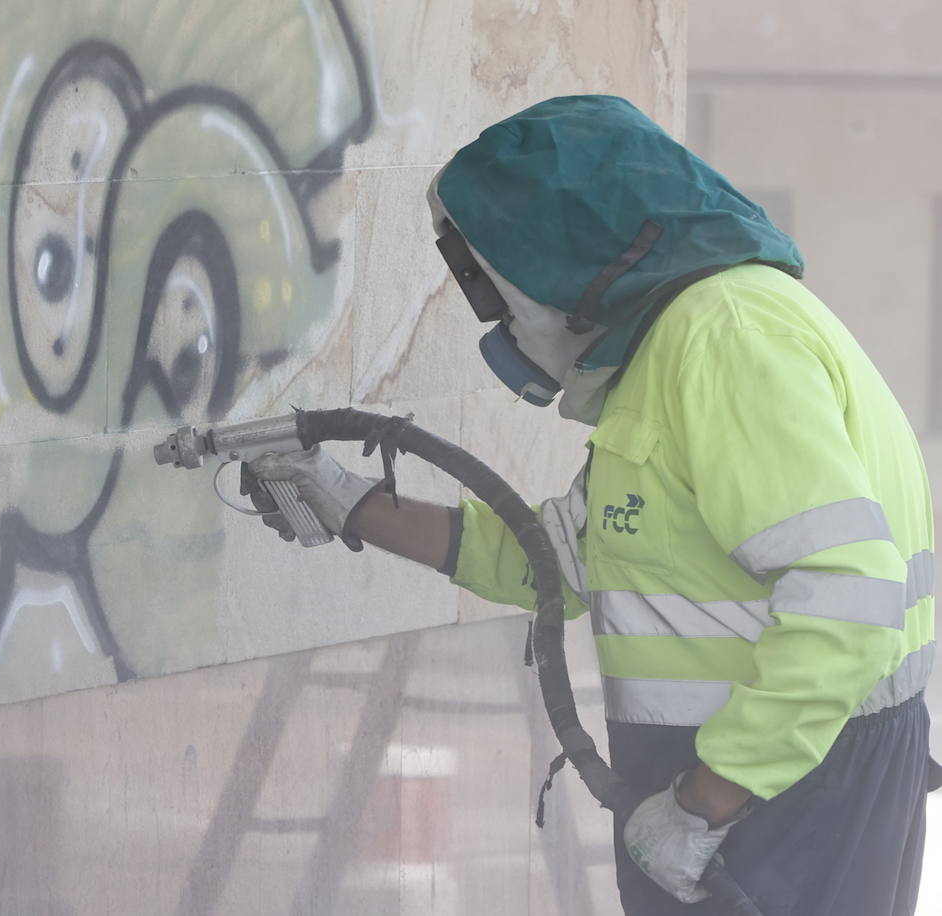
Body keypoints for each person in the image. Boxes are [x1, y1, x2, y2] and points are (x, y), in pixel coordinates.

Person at [243, 95, 937, 914]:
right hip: (772, 775)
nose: (497, 318)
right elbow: (557, 562)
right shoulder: (678, 349)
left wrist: (708, 801)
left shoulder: (726, 340)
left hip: (784, 791)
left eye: (488, 283)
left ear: (560, 253)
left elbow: (850, 600)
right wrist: (351, 503)